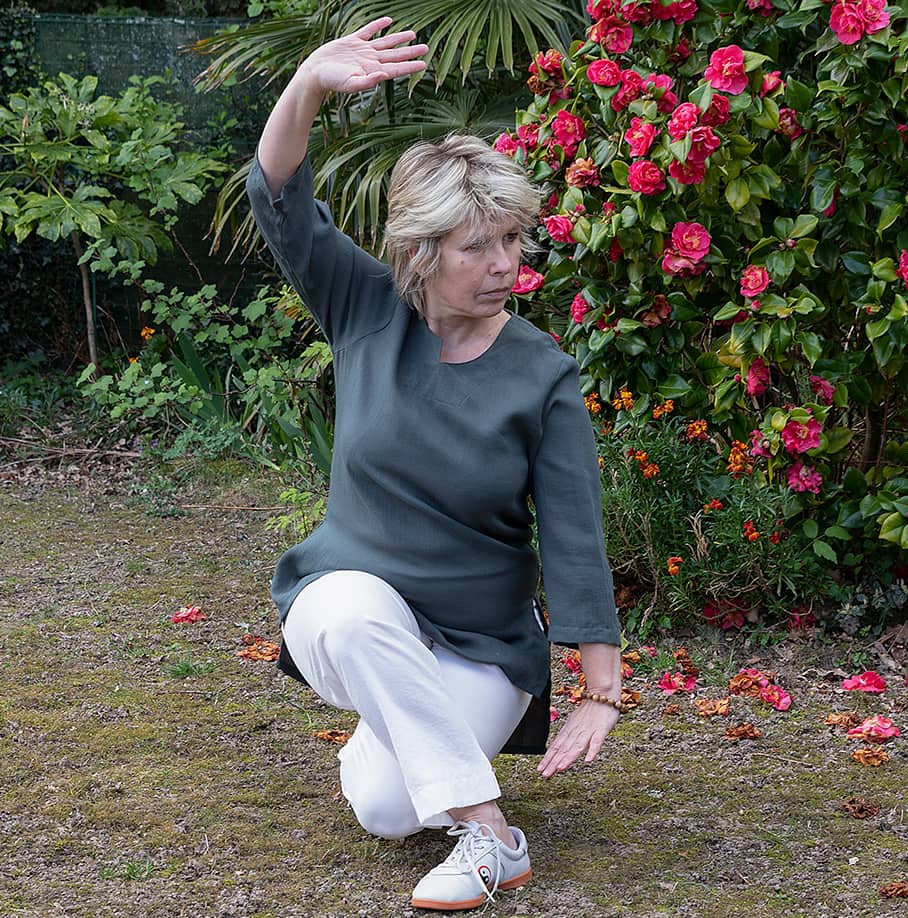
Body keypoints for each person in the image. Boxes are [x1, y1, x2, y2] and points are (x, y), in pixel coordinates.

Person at [246, 16, 624, 912]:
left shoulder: (541, 374)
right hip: (348, 610)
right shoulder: (363, 306)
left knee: (384, 809)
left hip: (481, 643)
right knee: (347, 605)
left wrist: (600, 691)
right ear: (421, 253)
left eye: (514, 241)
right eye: (478, 248)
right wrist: (306, 83)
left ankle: (408, 748)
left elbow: (574, 535)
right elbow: (278, 194)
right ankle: (494, 837)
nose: (507, 266)